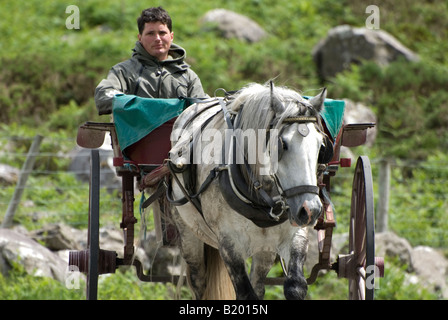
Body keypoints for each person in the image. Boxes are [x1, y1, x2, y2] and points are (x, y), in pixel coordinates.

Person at [95, 7, 207, 115]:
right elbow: (104, 95)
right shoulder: (123, 72)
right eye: (150, 33)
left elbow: (204, 109)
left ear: (171, 36)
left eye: (162, 33)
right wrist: (141, 105)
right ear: (140, 38)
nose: (157, 39)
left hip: (179, 133)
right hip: (135, 134)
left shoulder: (187, 76)